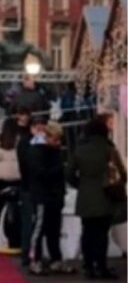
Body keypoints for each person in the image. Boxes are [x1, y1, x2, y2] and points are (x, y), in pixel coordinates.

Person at [67, 114, 126, 280]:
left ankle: (88, 266)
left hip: (85, 196)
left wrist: (81, 185)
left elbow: (70, 173)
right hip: (105, 196)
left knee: (87, 232)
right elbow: (121, 173)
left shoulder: (79, 149)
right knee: (101, 234)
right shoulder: (109, 149)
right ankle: (101, 266)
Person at [27, 121, 73, 275]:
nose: (59, 143)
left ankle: (55, 259)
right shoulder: (37, 151)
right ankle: (35, 259)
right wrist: (58, 170)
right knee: (39, 229)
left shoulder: (52, 152)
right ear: (47, 137)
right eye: (56, 139)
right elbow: (39, 174)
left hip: (54, 194)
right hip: (42, 195)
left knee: (54, 229)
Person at [0, 118, 22, 244]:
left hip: (1, 181)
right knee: (18, 210)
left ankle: (4, 236)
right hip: (17, 179)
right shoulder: (20, 145)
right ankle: (17, 236)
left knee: (2, 210)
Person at [16, 111, 44, 267]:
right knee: (30, 221)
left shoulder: (27, 142)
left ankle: (32, 253)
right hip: (29, 186)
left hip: (31, 186)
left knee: (33, 222)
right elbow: (27, 165)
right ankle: (29, 253)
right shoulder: (28, 143)